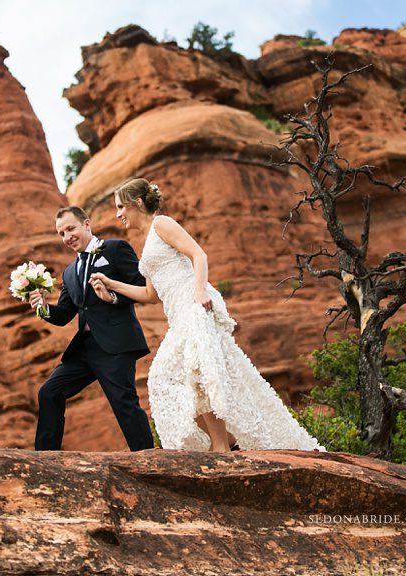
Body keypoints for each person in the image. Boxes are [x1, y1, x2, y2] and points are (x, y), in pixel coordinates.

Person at [89, 178, 325, 453]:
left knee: (190, 373)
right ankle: (226, 440)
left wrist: (200, 292)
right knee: (168, 377)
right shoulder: (146, 242)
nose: (118, 214)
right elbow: (150, 295)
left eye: (120, 207)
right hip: (177, 315)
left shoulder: (162, 224)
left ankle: (221, 445)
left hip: (193, 305)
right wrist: (111, 284)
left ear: (137, 203)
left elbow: (198, 254)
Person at [28, 206, 155, 451]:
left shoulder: (116, 249)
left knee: (123, 403)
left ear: (86, 224)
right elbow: (64, 315)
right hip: (84, 349)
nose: (67, 237)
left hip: (116, 343)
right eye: (61, 233)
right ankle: (44, 459)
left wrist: (114, 297)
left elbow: (142, 287)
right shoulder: (70, 273)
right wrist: (42, 307)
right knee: (49, 392)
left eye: (70, 229)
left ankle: (147, 458)